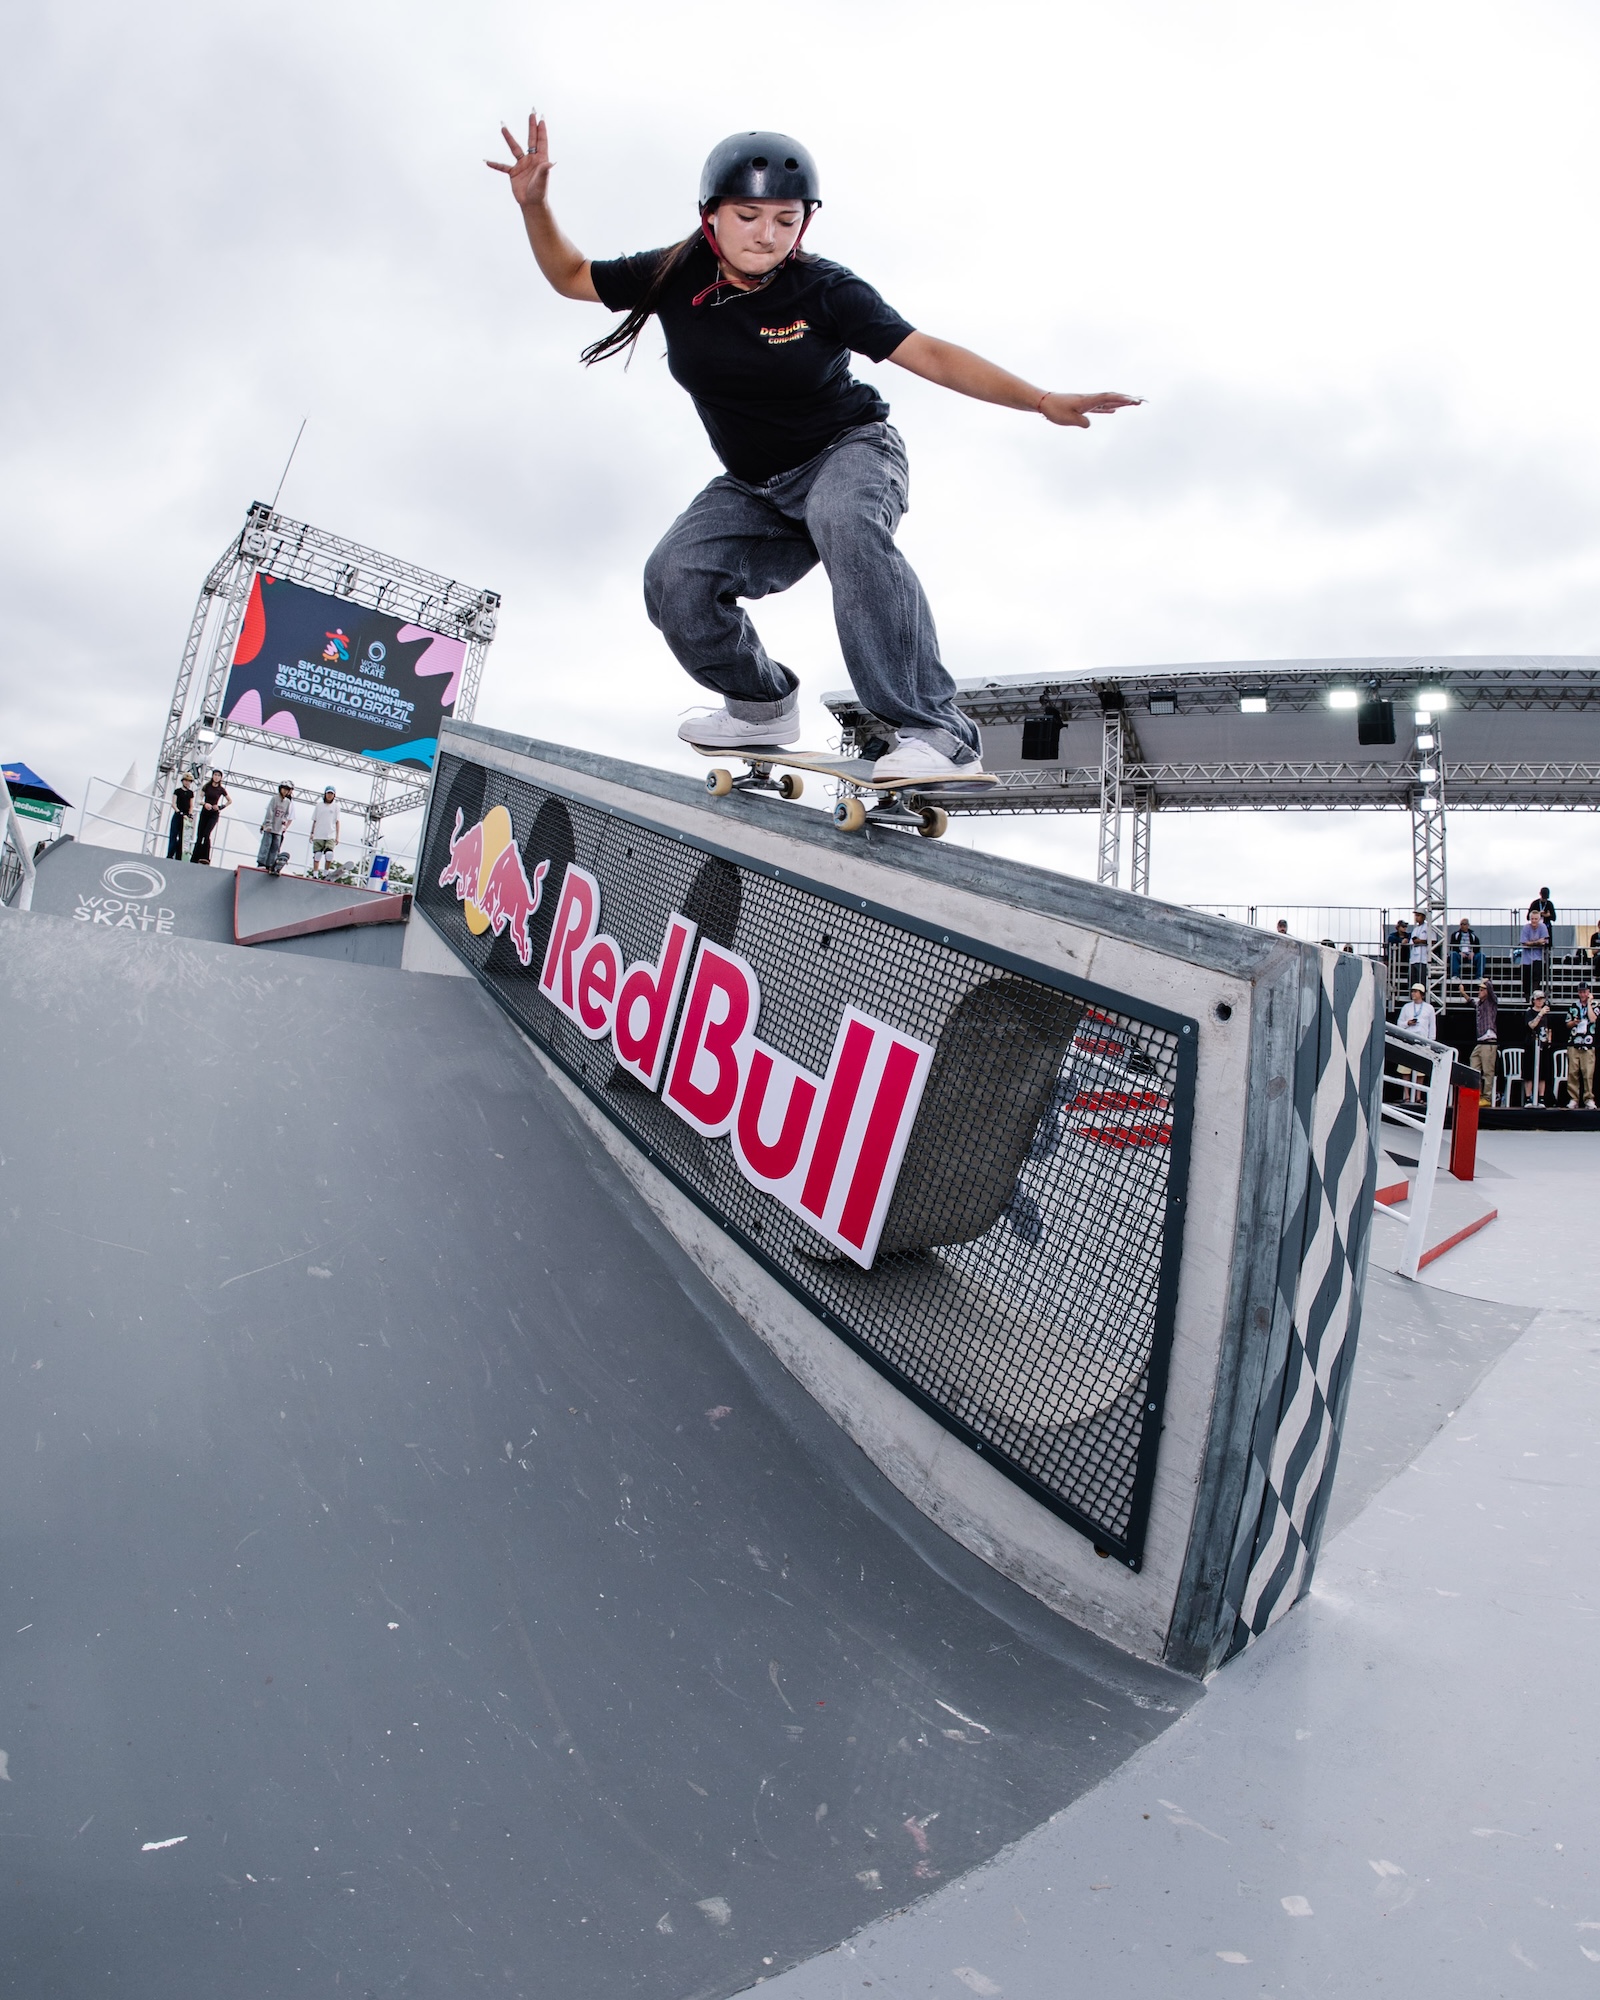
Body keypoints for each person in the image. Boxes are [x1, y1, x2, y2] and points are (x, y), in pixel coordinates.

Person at [490, 114, 1142, 782]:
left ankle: (935, 730)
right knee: (674, 579)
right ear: (711, 216)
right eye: (748, 216)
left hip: (850, 452)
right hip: (755, 487)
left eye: (785, 220)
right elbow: (570, 275)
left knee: (844, 521)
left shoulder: (826, 290)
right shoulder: (671, 275)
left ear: (805, 223)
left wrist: (1039, 399)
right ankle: (759, 705)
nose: (766, 236)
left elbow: (932, 355)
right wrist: (535, 204)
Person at [1396, 981, 1438, 1103]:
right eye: (1412, 991)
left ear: (1421, 994)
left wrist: (1431, 1043)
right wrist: (1407, 1023)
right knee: (1405, 1068)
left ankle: (1418, 1096)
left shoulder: (1429, 1008)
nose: (1413, 993)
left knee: (1421, 1070)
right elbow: (1399, 1023)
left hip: (1422, 1041)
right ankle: (1407, 1095)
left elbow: (1432, 1026)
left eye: (1415, 991)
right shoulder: (1406, 1007)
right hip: (1408, 1040)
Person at [1565, 984, 1598, 1110]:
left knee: (1587, 1072)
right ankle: (1574, 1098)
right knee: (1573, 1072)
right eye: (1580, 992)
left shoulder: (1595, 1005)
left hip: (1588, 1043)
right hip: (1574, 1041)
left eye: (1584, 992)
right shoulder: (1574, 1006)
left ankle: (1588, 1098)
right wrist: (1574, 1022)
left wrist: (1589, 1003)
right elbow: (1567, 1023)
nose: (1582, 994)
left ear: (1588, 992)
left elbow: (1593, 1019)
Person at [1468, 978, 1498, 1107]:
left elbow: (1491, 990)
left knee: (1488, 1070)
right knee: (1474, 1066)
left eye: (1481, 990)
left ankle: (1487, 1097)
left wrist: (1487, 981)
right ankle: (1476, 1094)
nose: (1479, 992)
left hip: (1489, 1039)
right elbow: (1471, 1002)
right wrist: (1463, 993)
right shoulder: (1479, 1004)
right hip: (1480, 1040)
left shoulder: (1491, 1002)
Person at [191, 769, 230, 865]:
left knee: (206, 834)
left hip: (214, 813)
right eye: (215, 775)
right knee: (199, 835)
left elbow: (229, 800)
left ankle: (205, 857)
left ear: (221, 778)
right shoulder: (207, 786)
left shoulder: (221, 789)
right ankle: (195, 857)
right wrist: (204, 803)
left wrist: (220, 807)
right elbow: (199, 799)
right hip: (205, 812)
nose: (216, 777)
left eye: (218, 775)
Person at [258, 783, 294, 876]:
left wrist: (284, 823)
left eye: (287, 790)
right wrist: (268, 824)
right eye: (284, 789)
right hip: (270, 827)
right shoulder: (274, 798)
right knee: (266, 845)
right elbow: (270, 811)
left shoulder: (288, 802)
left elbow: (286, 814)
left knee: (275, 847)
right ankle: (261, 863)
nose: (285, 791)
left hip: (278, 829)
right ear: (280, 789)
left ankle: (271, 864)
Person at [1527, 988, 1555, 1105]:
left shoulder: (1547, 1013)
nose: (1540, 1001)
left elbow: (1550, 1028)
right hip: (1531, 1044)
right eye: (1538, 999)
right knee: (1529, 1073)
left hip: (1543, 1046)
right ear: (1533, 1000)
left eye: (1541, 999)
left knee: (1543, 1073)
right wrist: (1540, 1014)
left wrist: (1549, 1040)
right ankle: (1528, 1098)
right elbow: (1531, 1025)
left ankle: (1541, 1097)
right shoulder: (1529, 1012)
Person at [1519, 904, 1550, 1002]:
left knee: (1537, 978)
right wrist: (1537, 942)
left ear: (1539, 919)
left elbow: (1545, 941)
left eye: (1536, 919)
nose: (1534, 921)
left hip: (1538, 957)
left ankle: (1535, 998)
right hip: (1526, 959)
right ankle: (1527, 998)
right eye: (1532, 919)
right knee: (1526, 979)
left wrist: (1531, 943)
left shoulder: (1543, 927)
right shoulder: (1526, 928)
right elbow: (1524, 943)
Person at [309, 787, 339, 876]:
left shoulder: (336, 806)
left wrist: (337, 836)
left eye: (331, 794)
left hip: (330, 834)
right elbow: (315, 820)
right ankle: (315, 873)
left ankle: (325, 873)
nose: (329, 795)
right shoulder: (319, 805)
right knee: (317, 855)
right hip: (319, 834)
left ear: (334, 795)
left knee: (329, 854)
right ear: (325, 794)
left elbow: (337, 822)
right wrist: (312, 833)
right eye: (328, 793)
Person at [166, 773, 195, 861]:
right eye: (186, 781)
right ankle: (170, 854)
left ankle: (179, 856)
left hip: (186, 818)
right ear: (182, 781)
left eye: (189, 781)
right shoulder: (177, 791)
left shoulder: (191, 793)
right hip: (178, 815)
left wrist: (190, 815)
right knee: (173, 835)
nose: (187, 783)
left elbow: (191, 805)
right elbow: (173, 804)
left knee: (183, 838)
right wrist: (179, 812)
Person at [1448, 915, 1482, 989]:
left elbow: (1477, 946)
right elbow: (1452, 946)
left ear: (1468, 925)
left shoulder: (1473, 935)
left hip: (1471, 955)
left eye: (1464, 924)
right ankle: (1455, 975)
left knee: (1481, 956)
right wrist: (1460, 952)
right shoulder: (1455, 935)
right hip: (1460, 955)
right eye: (1461, 924)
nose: (1462, 926)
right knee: (1453, 954)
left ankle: (1479, 976)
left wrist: (1473, 952)